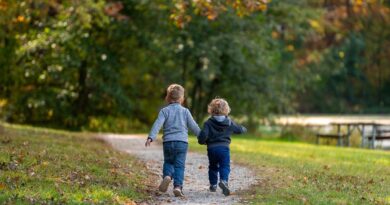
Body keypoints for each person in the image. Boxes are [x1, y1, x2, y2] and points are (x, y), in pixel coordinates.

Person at [145, 84, 200, 197]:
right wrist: (202, 137)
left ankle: (167, 176)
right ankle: (178, 187)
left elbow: (157, 124)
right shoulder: (185, 111)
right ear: (182, 99)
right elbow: (193, 126)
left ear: (167, 98)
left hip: (168, 142)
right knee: (179, 165)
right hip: (182, 143)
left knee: (169, 162)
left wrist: (151, 137)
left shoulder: (164, 111)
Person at [197, 98, 247, 196]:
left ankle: (213, 185)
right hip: (224, 149)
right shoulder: (229, 122)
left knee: (213, 166)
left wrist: (201, 141)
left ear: (211, 110)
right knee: (224, 166)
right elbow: (238, 129)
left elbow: (203, 135)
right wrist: (244, 129)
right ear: (226, 110)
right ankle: (224, 181)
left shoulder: (208, 123)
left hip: (211, 149)